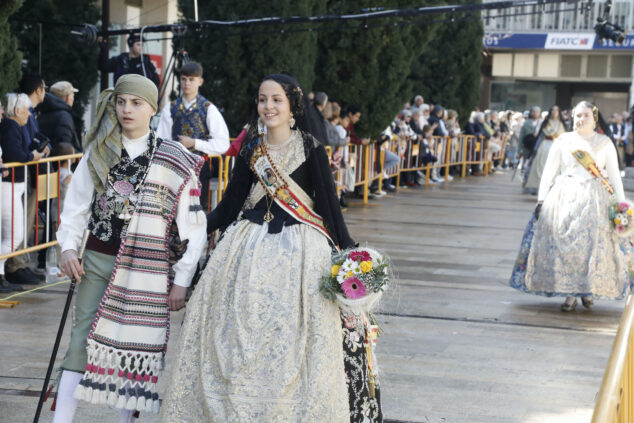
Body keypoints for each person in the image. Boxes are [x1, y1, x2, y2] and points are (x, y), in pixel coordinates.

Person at [160, 73, 382, 422]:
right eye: (263, 99)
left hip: (302, 255)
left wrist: (352, 255)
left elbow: (328, 206)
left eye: (276, 99)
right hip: (246, 252)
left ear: (292, 105)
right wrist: (191, 227)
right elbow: (231, 206)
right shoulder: (251, 150)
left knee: (292, 345)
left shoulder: (311, 148)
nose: (268, 106)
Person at [53, 74, 207, 422]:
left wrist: (182, 279)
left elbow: (194, 226)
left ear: (152, 109)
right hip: (96, 257)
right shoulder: (100, 149)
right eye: (122, 102)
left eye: (136, 103)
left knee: (135, 344)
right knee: (81, 340)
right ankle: (61, 418)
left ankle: (127, 419)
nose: (127, 109)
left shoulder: (174, 158)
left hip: (148, 268)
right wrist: (67, 248)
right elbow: (76, 206)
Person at [510, 101, 633, 311]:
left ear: (594, 119)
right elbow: (549, 172)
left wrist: (621, 206)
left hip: (596, 201)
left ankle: (587, 289)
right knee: (565, 247)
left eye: (585, 115)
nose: (580, 119)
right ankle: (570, 294)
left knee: (591, 248)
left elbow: (614, 177)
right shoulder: (563, 141)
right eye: (577, 115)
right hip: (564, 197)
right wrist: (541, 200)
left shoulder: (605, 143)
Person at [156, 61, 230, 211]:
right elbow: (161, 141)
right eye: (183, 79)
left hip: (199, 169)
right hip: (175, 168)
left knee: (196, 213)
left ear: (200, 81)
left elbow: (223, 144)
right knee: (172, 212)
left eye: (191, 79)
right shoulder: (170, 108)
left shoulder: (208, 109)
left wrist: (195, 143)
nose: (187, 83)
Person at [0, 94, 48, 292]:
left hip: (12, 185)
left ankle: (1, 275)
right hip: (7, 186)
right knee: (14, 235)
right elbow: (15, 154)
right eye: (26, 110)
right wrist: (32, 156)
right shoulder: (10, 127)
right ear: (18, 110)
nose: (29, 114)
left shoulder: (11, 126)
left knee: (11, 235)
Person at [523, 105, 566, 194]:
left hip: (556, 146)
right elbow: (540, 136)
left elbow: (563, 138)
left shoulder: (561, 124)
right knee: (540, 166)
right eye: (553, 110)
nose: (554, 112)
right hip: (544, 146)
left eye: (556, 110)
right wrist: (535, 148)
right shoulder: (546, 123)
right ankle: (538, 188)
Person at [38, 81, 82, 153]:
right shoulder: (65, 117)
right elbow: (65, 147)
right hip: (62, 162)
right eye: (72, 95)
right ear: (68, 97)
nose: (73, 98)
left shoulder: (43, 112)